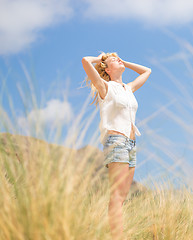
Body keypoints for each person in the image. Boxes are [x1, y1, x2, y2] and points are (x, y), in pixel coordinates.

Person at [81, 52, 151, 240]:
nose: (118, 60)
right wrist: (102, 58)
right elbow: (85, 61)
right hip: (116, 141)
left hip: (131, 143)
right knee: (117, 197)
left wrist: (122, 62)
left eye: (119, 58)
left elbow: (147, 71)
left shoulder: (128, 88)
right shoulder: (105, 87)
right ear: (107, 69)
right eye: (114, 60)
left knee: (122, 198)